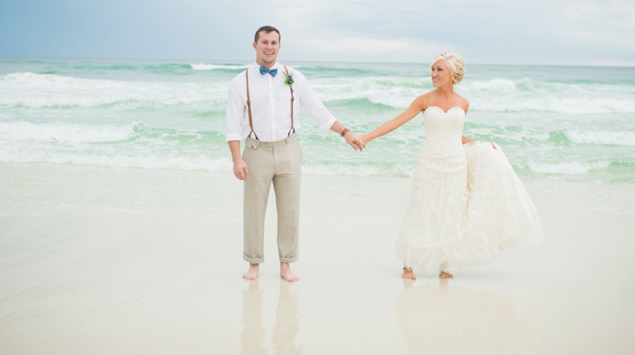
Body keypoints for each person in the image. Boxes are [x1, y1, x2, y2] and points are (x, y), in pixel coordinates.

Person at [361, 53, 543, 280]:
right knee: (421, 209)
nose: (434, 75)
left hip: (456, 162)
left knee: (452, 212)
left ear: (453, 74)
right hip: (430, 161)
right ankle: (408, 266)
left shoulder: (463, 103)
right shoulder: (424, 100)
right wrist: (366, 137)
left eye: (439, 70)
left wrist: (482, 145)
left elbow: (456, 135)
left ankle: (446, 265)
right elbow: (396, 122)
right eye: (433, 70)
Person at [226, 25, 364, 282]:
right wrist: (237, 158)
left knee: (289, 211)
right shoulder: (240, 81)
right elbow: (233, 125)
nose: (269, 47)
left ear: (279, 46)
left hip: (289, 149)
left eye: (274, 42)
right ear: (255, 45)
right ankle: (253, 264)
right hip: (255, 152)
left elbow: (318, 110)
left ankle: (286, 265)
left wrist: (346, 132)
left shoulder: (293, 77)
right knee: (254, 211)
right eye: (264, 42)